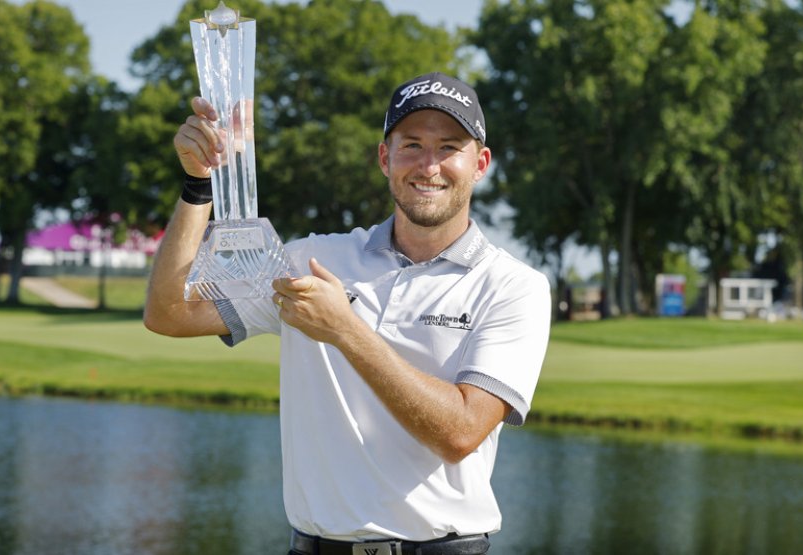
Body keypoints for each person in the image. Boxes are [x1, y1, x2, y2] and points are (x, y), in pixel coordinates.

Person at [145, 72, 551, 555]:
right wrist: (199, 185)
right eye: (412, 145)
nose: (429, 165)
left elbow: (460, 433)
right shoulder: (312, 259)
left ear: (479, 164)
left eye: (448, 148)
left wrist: (344, 329)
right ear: (384, 158)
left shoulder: (514, 286)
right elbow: (170, 313)